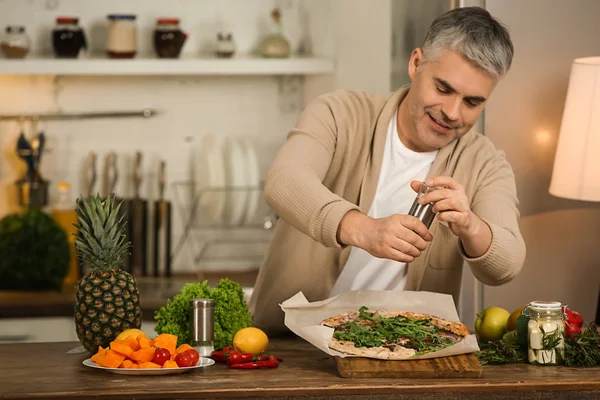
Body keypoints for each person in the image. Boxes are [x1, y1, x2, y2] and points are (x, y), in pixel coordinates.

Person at [249, 6, 526, 334]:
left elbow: (506, 264)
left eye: (472, 102)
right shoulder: (340, 113)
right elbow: (284, 180)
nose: (452, 112)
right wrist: (362, 229)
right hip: (291, 345)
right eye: (443, 88)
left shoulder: (484, 162)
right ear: (416, 63)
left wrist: (470, 225)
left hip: (405, 353)